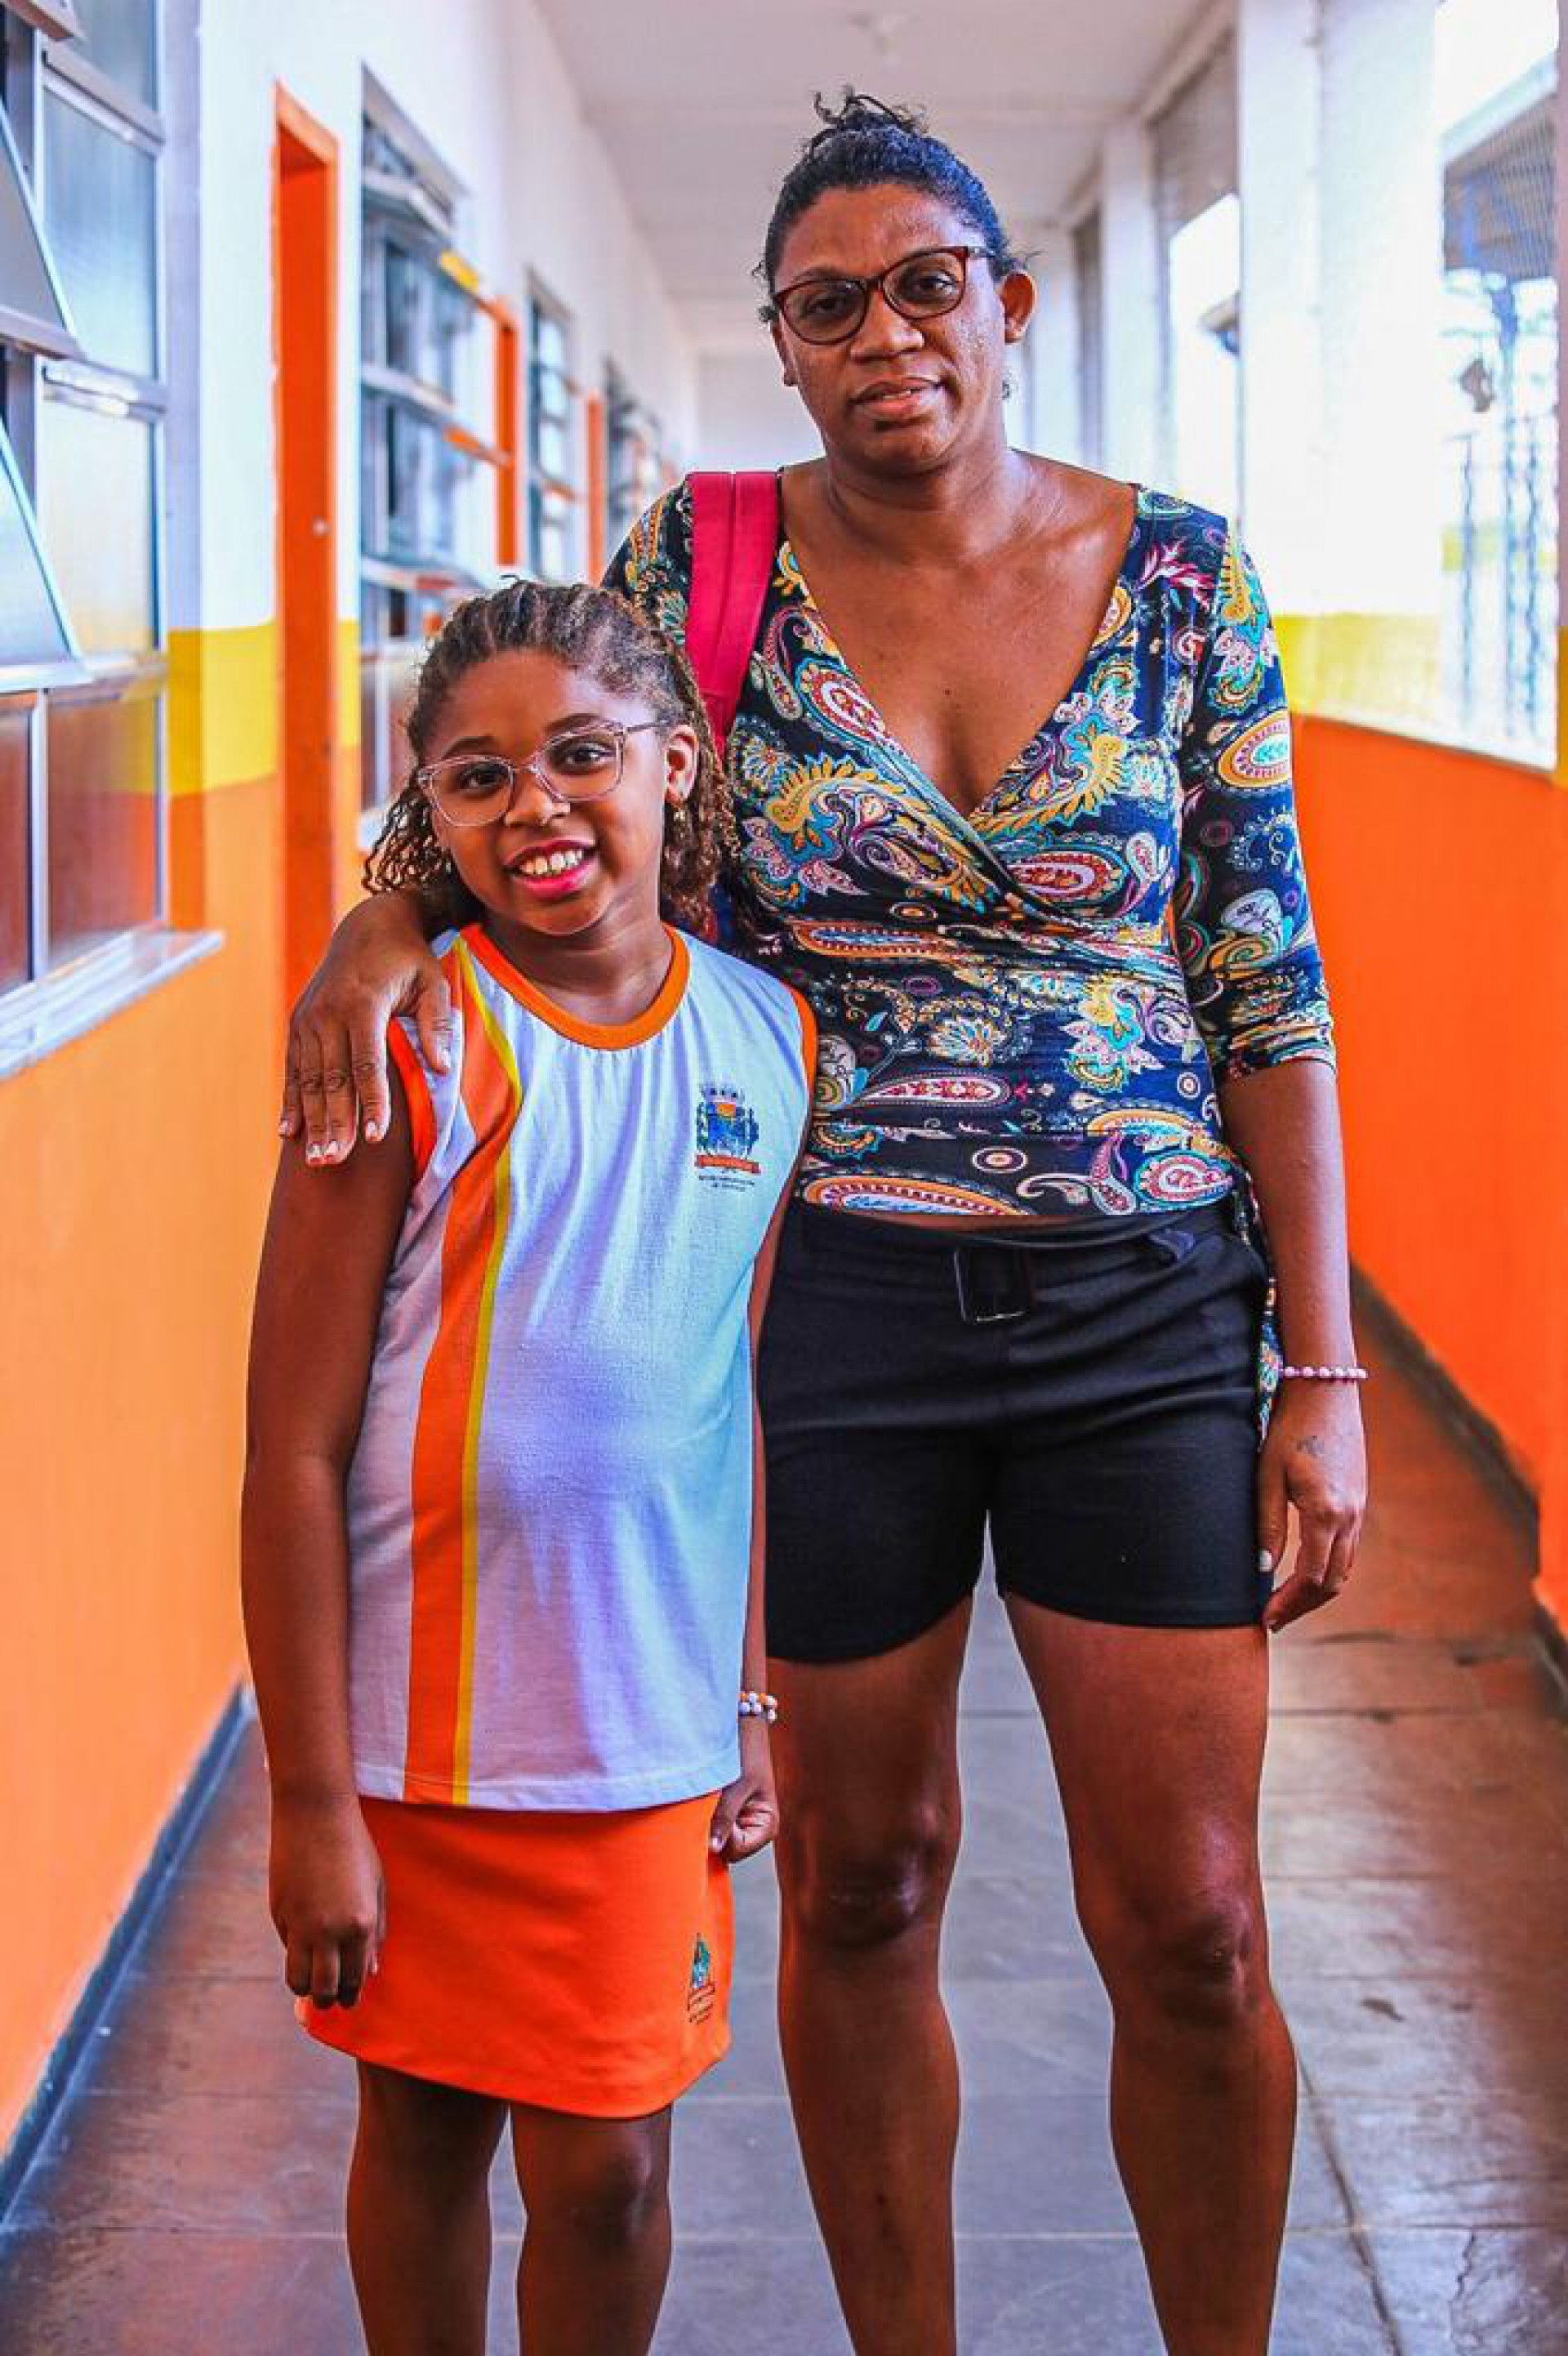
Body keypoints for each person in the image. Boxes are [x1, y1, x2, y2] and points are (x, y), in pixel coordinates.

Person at [278, 93, 1367, 2356]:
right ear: (783, 341)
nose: (888, 334)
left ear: (1012, 301)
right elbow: (546, 760)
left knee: (1192, 1921)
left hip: (1145, 1300)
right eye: (830, 302)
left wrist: (1325, 1372)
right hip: (826, 1305)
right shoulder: (711, 562)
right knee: (864, 1886)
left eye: (927, 285)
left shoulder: (1181, 572)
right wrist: (378, 926)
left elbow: (1270, 975)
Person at [242, 581, 815, 2356]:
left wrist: (746, 1701)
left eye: (582, 754)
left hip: (640, 1736)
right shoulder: (407, 1040)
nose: (539, 807)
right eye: (477, 778)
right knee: (418, 2132)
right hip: (422, 1750)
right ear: (427, 814)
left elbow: (732, 1395)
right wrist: (311, 1795)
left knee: (612, 2174)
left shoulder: (771, 1039)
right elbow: (290, 1442)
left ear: (673, 763)